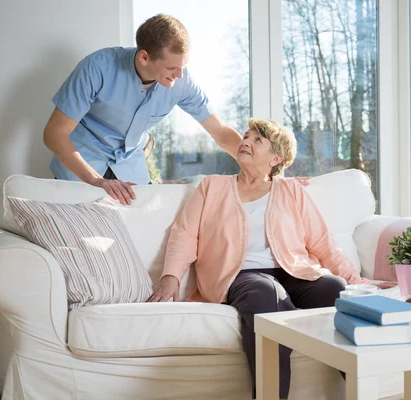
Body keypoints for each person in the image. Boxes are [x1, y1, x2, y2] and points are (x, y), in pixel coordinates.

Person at [149, 118, 396, 399]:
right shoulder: (212, 187)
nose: (245, 142)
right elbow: (184, 234)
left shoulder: (290, 190)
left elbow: (321, 242)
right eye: (245, 136)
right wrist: (170, 278)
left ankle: (367, 391)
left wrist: (357, 281)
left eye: (257, 140)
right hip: (240, 275)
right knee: (265, 293)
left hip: (295, 271)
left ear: (276, 158)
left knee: (335, 289)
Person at [43, 14, 242, 205]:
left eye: (184, 66)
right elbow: (54, 134)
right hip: (83, 169)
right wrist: (96, 180)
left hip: (130, 171)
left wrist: (261, 168)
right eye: (172, 68)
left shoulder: (182, 81)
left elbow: (221, 132)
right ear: (144, 57)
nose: (180, 75)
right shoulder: (97, 68)